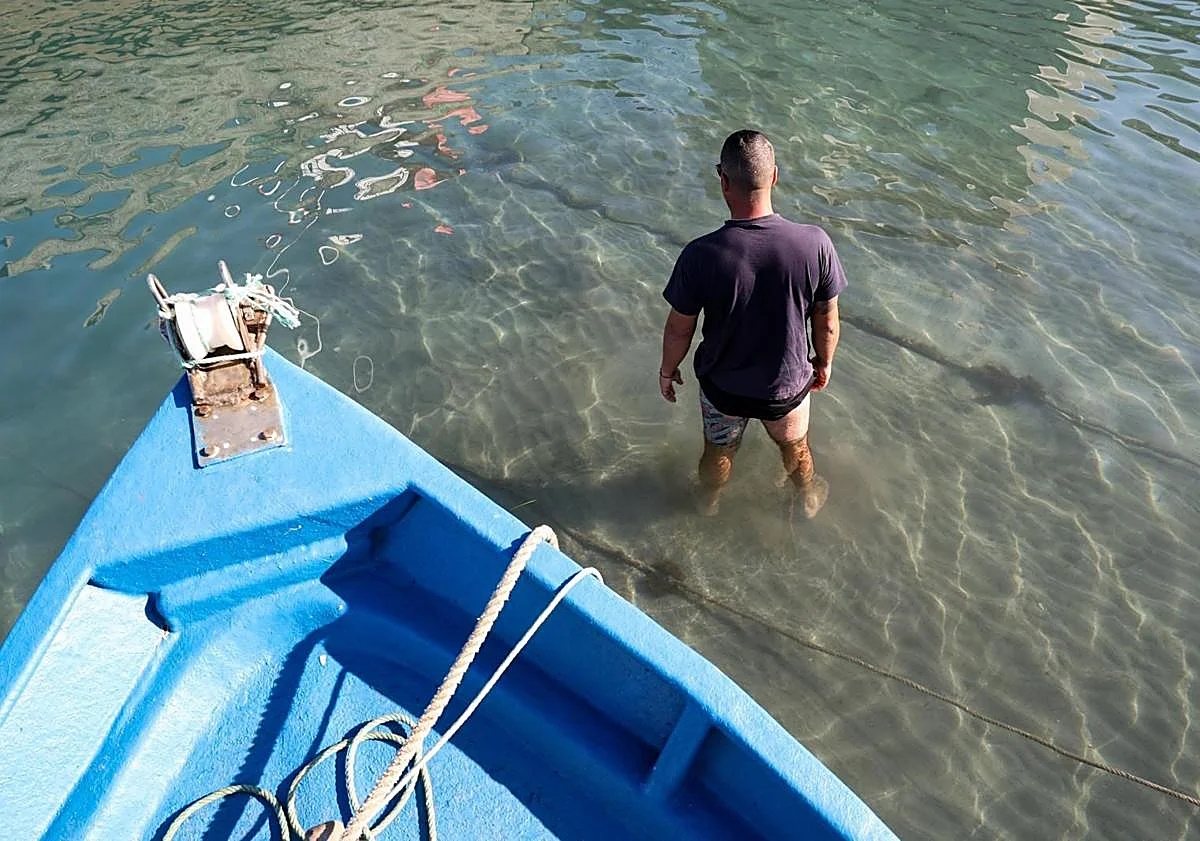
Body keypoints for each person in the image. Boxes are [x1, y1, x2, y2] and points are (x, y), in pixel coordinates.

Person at [658, 129, 845, 517]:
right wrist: (823, 362)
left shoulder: (700, 254)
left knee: (718, 451)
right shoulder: (815, 244)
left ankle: (708, 502)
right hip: (786, 387)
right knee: (795, 448)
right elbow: (826, 321)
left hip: (723, 387)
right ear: (774, 176)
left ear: (724, 182)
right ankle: (808, 495)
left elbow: (680, 327)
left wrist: (667, 369)